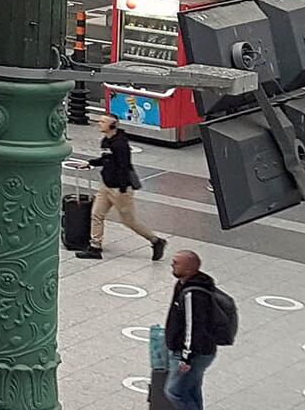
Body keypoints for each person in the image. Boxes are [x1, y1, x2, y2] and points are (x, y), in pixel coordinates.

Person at [76, 114, 167, 261]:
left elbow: (124, 166)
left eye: (103, 121)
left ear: (112, 125)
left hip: (119, 189)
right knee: (96, 215)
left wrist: (123, 189)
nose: (99, 123)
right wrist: (91, 162)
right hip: (106, 186)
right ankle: (95, 247)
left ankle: (156, 241)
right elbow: (106, 159)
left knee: (129, 220)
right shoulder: (106, 141)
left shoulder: (120, 144)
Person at [163, 249, 223, 410]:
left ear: (189, 269)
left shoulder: (193, 294)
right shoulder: (184, 284)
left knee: (174, 392)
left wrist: (186, 357)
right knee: (191, 389)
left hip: (193, 353)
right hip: (201, 350)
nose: (172, 264)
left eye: (176, 263)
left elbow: (193, 326)